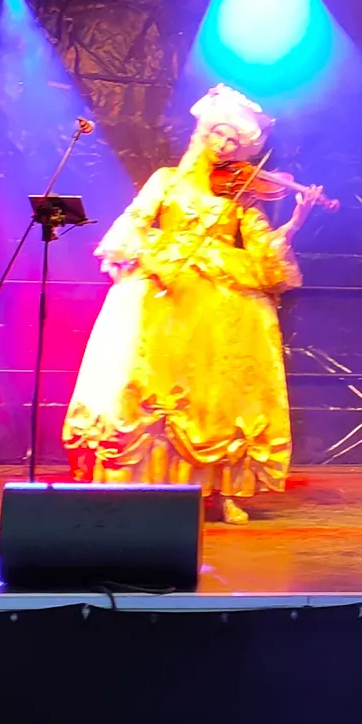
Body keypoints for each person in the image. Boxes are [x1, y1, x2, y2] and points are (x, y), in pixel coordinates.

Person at [62, 85, 313, 521]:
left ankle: (223, 489)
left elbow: (262, 247)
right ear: (203, 132)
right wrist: (140, 256)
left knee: (219, 388)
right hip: (163, 285)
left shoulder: (240, 194)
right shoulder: (166, 179)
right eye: (220, 134)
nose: (226, 146)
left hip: (219, 293)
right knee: (147, 381)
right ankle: (142, 487)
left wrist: (295, 221)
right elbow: (135, 220)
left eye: (234, 141)